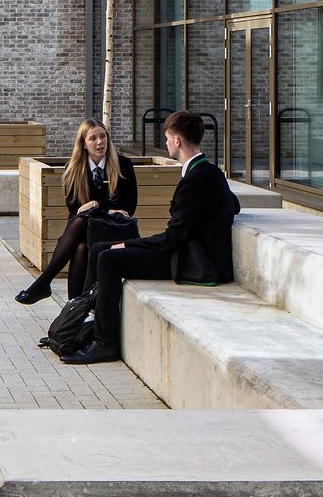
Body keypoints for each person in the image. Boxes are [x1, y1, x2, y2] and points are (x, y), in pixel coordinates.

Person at [60, 109, 239, 365]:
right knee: (100, 249)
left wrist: (129, 243)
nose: (165, 143)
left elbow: (172, 239)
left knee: (109, 259)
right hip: (187, 251)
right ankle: (78, 324)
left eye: (167, 137)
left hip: (194, 262)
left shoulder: (196, 178)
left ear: (177, 141)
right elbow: (234, 203)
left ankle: (104, 342)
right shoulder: (209, 172)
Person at [14, 120, 136, 304]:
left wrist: (97, 204)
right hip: (84, 229)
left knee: (83, 222)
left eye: (103, 136)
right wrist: (108, 206)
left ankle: (45, 283)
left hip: (112, 229)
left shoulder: (123, 165)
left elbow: (129, 206)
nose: (99, 142)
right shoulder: (72, 169)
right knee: (80, 247)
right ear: (84, 144)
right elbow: (74, 209)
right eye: (93, 138)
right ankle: (73, 308)